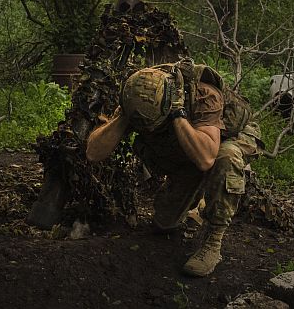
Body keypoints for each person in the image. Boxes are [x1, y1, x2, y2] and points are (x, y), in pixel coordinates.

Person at [85, 61, 261, 277]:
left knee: (226, 157)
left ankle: (213, 240)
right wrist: (123, 117)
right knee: (164, 223)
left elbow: (207, 158)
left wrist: (178, 114)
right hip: (192, 143)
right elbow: (93, 153)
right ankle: (193, 190)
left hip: (228, 135)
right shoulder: (138, 94)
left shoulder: (203, 94)